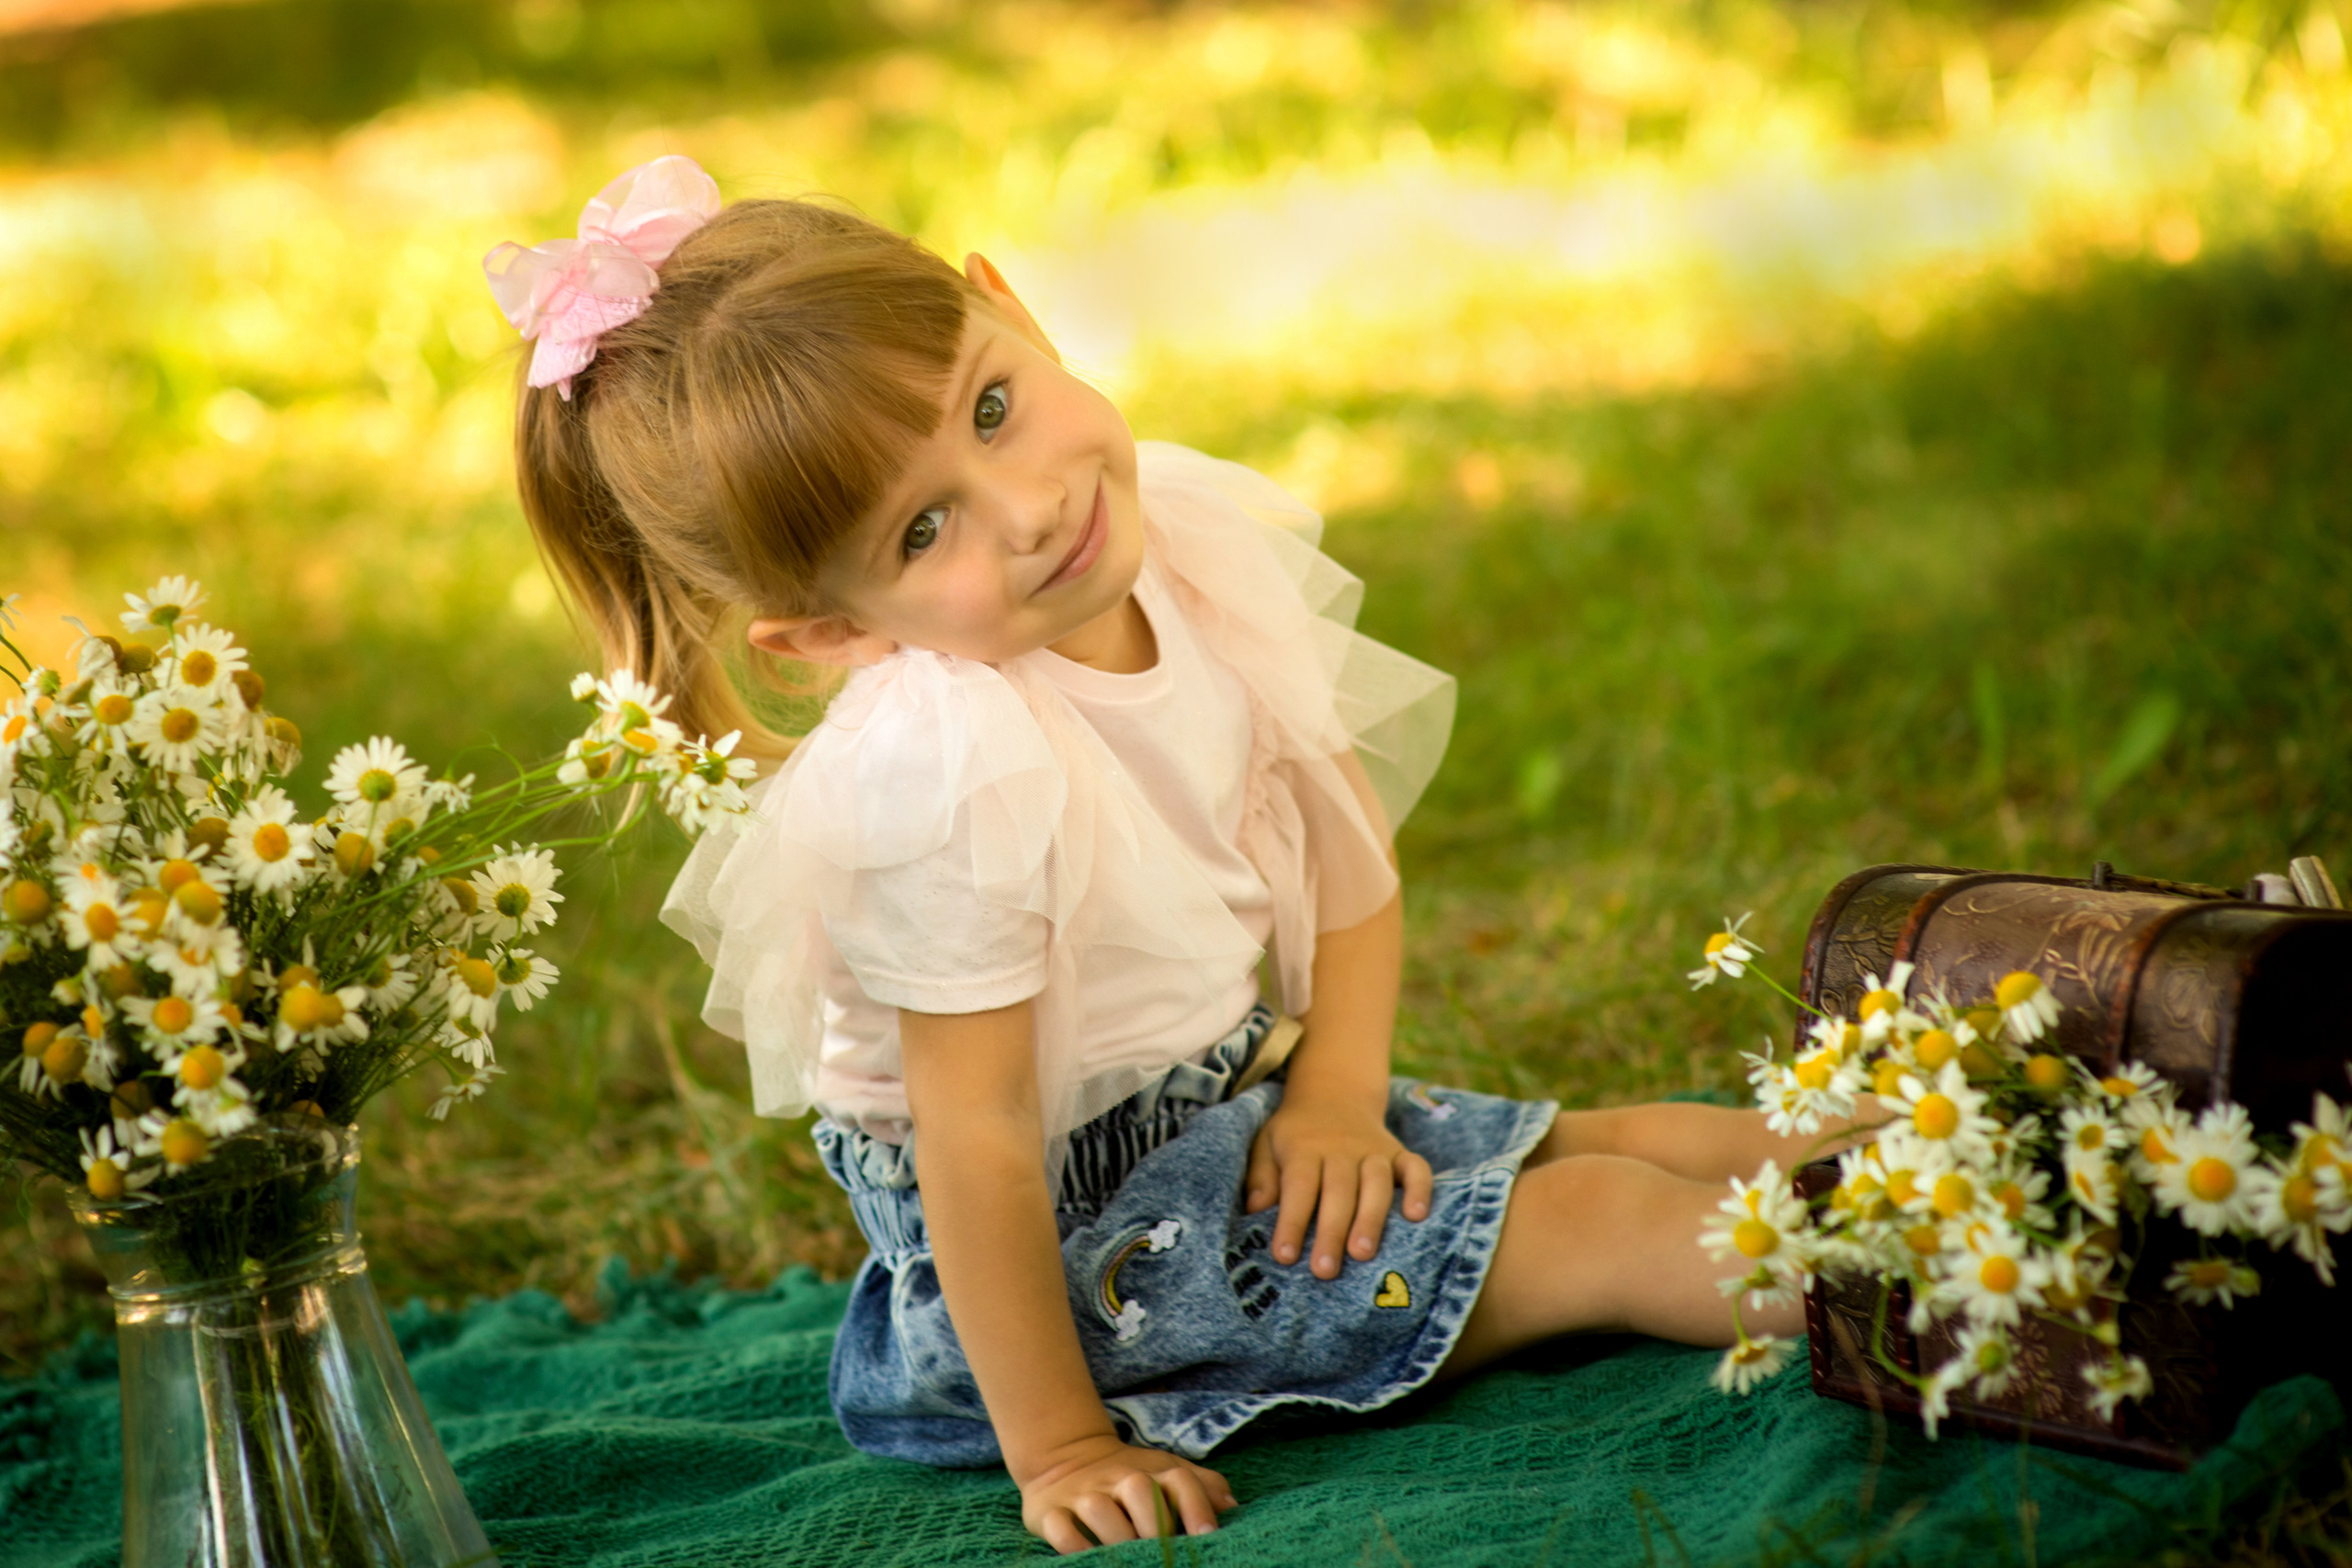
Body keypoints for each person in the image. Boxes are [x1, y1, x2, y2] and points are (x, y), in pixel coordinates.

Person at [488, 157, 1868, 1555]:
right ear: (835, 632)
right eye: (920, 529)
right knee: (1601, 1223)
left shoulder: (1183, 550)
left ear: (1009, 307)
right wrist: (1066, 1446)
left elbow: (1347, 856)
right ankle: (1992, 1292)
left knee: (1621, 1137)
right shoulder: (943, 775)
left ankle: (1992, 1154)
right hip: (1079, 1243)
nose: (1023, 508)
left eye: (991, 407)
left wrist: (1337, 1096)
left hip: (1241, 1096)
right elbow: (975, 1146)